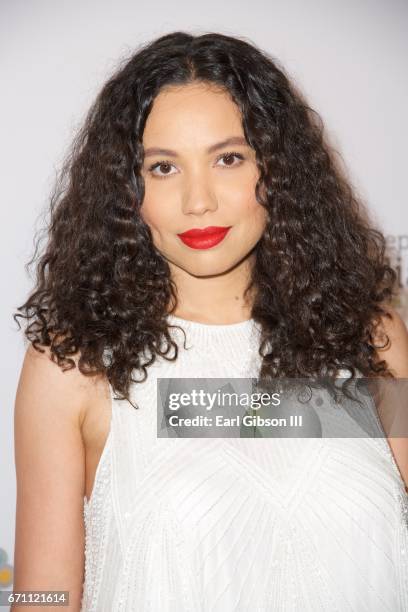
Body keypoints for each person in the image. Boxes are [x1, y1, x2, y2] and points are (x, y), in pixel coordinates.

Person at [12, 31, 408, 611]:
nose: (199, 201)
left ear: (277, 169)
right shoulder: (77, 365)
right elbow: (43, 598)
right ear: (127, 190)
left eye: (228, 158)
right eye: (164, 167)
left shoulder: (368, 339)